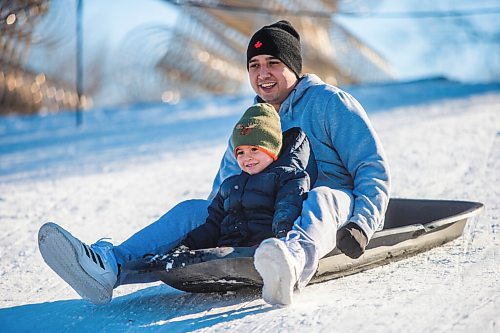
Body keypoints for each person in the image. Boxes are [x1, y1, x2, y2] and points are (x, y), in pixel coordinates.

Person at [38, 20, 390, 306]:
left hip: (330, 210)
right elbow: (226, 189)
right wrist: (212, 239)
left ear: (293, 67)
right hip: (266, 217)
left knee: (323, 197)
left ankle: (290, 266)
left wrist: (362, 222)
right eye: (254, 65)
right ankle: (110, 266)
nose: (262, 73)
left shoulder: (329, 103)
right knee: (196, 209)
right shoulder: (250, 124)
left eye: (273, 63)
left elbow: (370, 167)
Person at [174, 102, 316, 250]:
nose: (247, 157)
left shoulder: (288, 177)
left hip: (265, 247)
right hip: (228, 249)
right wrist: (188, 245)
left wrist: (282, 239)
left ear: (272, 150)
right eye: (240, 152)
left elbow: (287, 211)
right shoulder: (229, 186)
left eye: (254, 149)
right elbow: (213, 225)